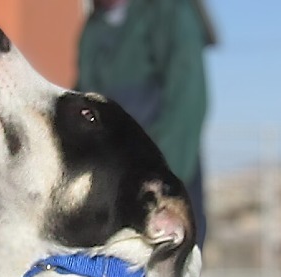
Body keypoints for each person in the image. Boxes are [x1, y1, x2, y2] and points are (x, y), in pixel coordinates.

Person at [77, 0, 214, 247]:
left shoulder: (167, 10)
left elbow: (187, 100)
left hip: (158, 182)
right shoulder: (93, 28)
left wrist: (160, 185)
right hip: (111, 190)